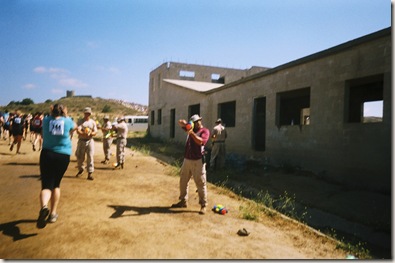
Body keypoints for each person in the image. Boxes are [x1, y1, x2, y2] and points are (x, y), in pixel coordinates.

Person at [37, 104, 76, 228]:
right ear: (64, 111)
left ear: (52, 110)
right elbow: (75, 127)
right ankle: (53, 214)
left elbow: (48, 122)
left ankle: (44, 207)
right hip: (63, 155)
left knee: (46, 186)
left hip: (47, 154)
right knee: (56, 184)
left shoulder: (47, 120)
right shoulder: (68, 121)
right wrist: (66, 115)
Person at [171, 114, 210, 214]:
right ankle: (183, 200)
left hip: (198, 160)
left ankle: (203, 204)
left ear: (199, 121)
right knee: (183, 180)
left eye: (197, 122)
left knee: (201, 182)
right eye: (194, 122)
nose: (196, 124)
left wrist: (191, 132)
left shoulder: (204, 131)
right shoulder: (191, 128)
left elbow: (200, 142)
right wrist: (186, 124)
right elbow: (179, 122)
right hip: (187, 159)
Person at [75, 107, 97, 180]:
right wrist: (84, 133)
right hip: (81, 140)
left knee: (90, 156)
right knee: (80, 156)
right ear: (84, 113)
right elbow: (78, 131)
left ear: (90, 114)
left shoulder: (92, 122)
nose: (87, 114)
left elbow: (95, 132)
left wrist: (91, 133)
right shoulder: (80, 121)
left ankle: (90, 173)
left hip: (90, 140)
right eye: (86, 113)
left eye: (88, 113)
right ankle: (81, 169)